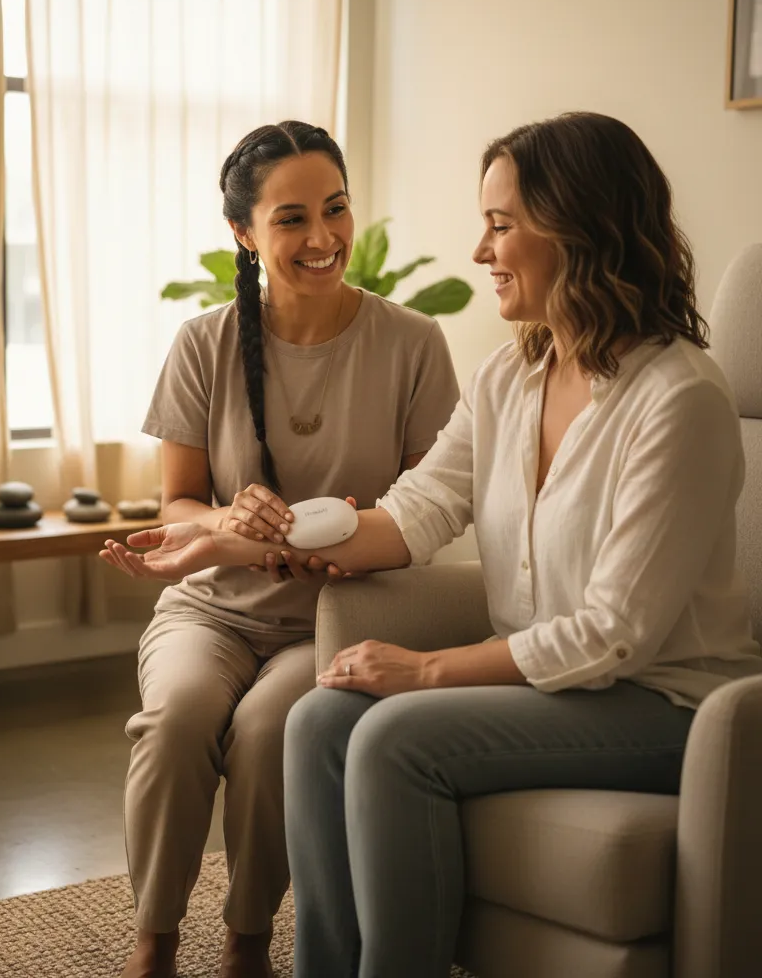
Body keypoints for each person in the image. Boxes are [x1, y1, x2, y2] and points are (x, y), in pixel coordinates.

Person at [101, 111, 762, 978]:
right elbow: (408, 516)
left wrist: (425, 671)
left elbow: (614, 635)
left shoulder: (679, 399)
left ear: (580, 227)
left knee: (391, 735)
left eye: (500, 225)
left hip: (663, 705)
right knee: (319, 721)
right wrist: (223, 543)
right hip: (558, 690)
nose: (481, 252)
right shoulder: (511, 377)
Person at [113, 120, 460, 978]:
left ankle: (248, 939)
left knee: (274, 729)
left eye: (335, 210)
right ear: (244, 232)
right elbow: (179, 503)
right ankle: (154, 940)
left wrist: (344, 537)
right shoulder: (204, 343)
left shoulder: (413, 345)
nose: (322, 239)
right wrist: (231, 518)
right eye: (292, 218)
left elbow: (432, 511)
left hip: (336, 614)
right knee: (177, 717)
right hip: (213, 608)